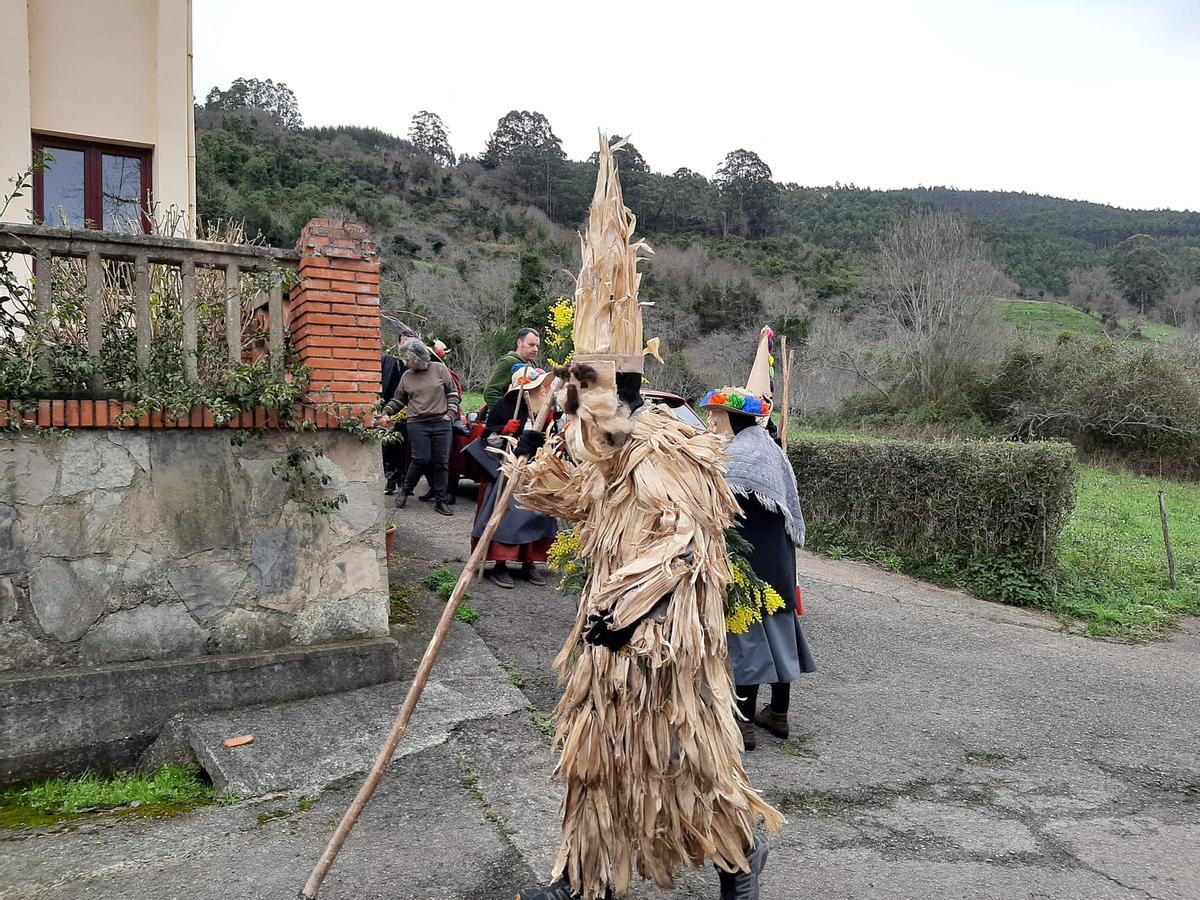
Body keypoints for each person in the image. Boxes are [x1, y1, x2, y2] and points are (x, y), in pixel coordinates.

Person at [512, 136, 777, 900]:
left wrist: (621, 612)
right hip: (610, 642)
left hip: (665, 648)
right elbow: (566, 501)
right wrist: (531, 453)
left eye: (582, 383)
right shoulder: (600, 447)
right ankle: (580, 877)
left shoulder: (663, 444)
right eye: (572, 384)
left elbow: (684, 543)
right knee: (595, 761)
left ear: (618, 383)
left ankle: (740, 853)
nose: (574, 397)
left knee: (691, 767)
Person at [702, 326, 815, 752]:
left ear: (733, 418)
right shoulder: (771, 449)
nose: (713, 423)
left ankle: (743, 723)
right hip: (780, 559)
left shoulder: (738, 454)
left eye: (717, 417)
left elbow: (719, 505)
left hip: (749, 559)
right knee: (780, 633)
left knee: (746, 636)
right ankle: (778, 715)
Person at [471, 365, 557, 588]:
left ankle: (528, 562)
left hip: (536, 470)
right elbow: (488, 440)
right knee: (505, 515)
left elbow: (552, 438)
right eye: (535, 387)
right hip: (507, 469)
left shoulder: (544, 409)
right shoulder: (505, 406)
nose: (540, 391)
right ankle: (500, 563)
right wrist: (504, 431)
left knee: (537, 512)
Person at [377, 339, 460, 516]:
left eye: (409, 359)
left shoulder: (440, 369)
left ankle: (440, 501)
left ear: (418, 358)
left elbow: (452, 393)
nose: (406, 363)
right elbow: (398, 399)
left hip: (441, 422)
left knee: (441, 462)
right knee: (421, 459)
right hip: (417, 423)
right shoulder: (406, 376)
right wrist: (386, 412)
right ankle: (405, 491)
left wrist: (450, 414)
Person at [417, 338, 467, 505]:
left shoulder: (448, 374)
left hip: (447, 420)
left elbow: (456, 396)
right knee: (428, 458)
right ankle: (434, 488)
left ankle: (450, 492)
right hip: (428, 421)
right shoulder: (421, 375)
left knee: (448, 458)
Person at [483, 328, 540, 412]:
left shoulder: (532, 365)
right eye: (531, 345)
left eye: (537, 346)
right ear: (519, 343)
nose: (535, 349)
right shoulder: (509, 361)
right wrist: (506, 414)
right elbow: (490, 392)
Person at [380, 343, 405, 495]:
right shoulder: (388, 360)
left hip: (408, 412)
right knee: (390, 446)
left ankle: (402, 481)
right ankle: (392, 479)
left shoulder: (411, 365)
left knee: (403, 448)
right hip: (391, 408)